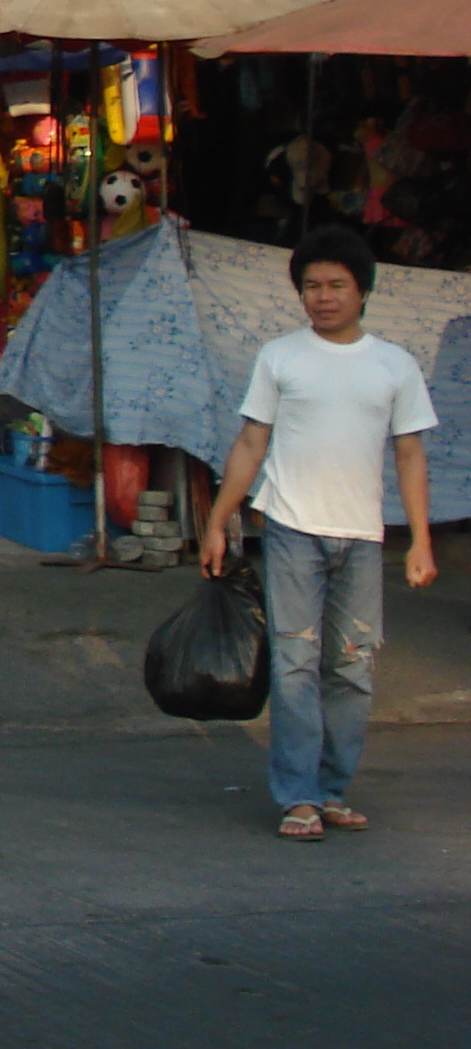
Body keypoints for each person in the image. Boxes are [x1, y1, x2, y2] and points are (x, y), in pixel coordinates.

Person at [203, 225, 439, 842]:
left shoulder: (394, 365)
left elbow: (410, 455)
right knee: (296, 663)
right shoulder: (279, 357)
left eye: (337, 285)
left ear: (363, 291)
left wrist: (420, 541)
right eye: (312, 286)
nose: (323, 296)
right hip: (290, 531)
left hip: (362, 538)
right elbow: (251, 443)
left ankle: (333, 789)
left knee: (352, 668)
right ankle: (298, 796)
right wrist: (216, 520)